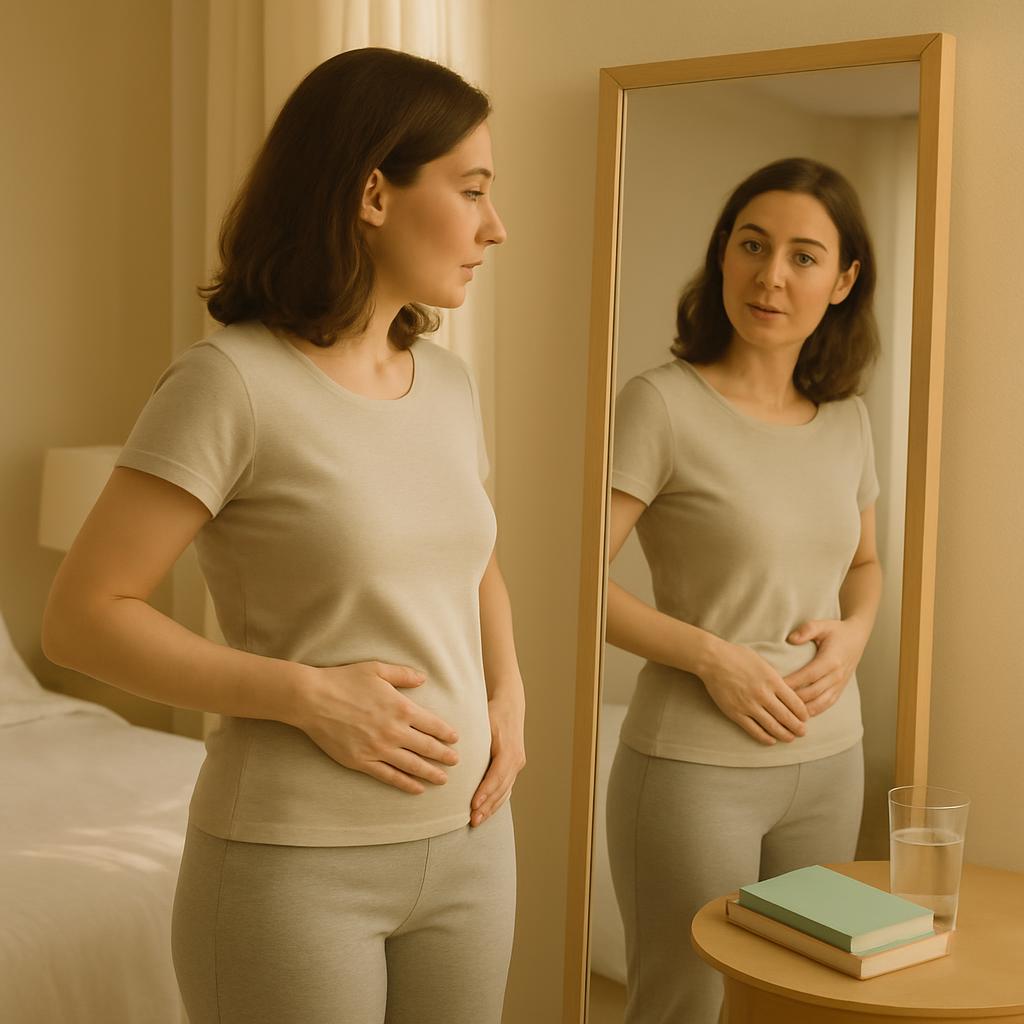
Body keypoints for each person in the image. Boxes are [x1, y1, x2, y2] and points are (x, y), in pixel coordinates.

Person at [41, 47, 525, 1024]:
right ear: (372, 193)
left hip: (474, 848)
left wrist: (507, 693)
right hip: (295, 868)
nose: (493, 227)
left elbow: (472, 562)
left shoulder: (449, 385)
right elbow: (84, 617)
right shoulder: (231, 384)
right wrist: (306, 696)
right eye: (470, 190)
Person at [605, 156, 883, 1023]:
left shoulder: (849, 419)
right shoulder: (660, 404)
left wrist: (857, 633)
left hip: (833, 759)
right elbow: (572, 583)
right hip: (695, 769)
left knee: (799, 1005)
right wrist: (711, 657)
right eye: (752, 245)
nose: (771, 276)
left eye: (804, 257)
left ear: (842, 282)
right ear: (722, 256)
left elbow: (864, 566)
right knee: (683, 1005)